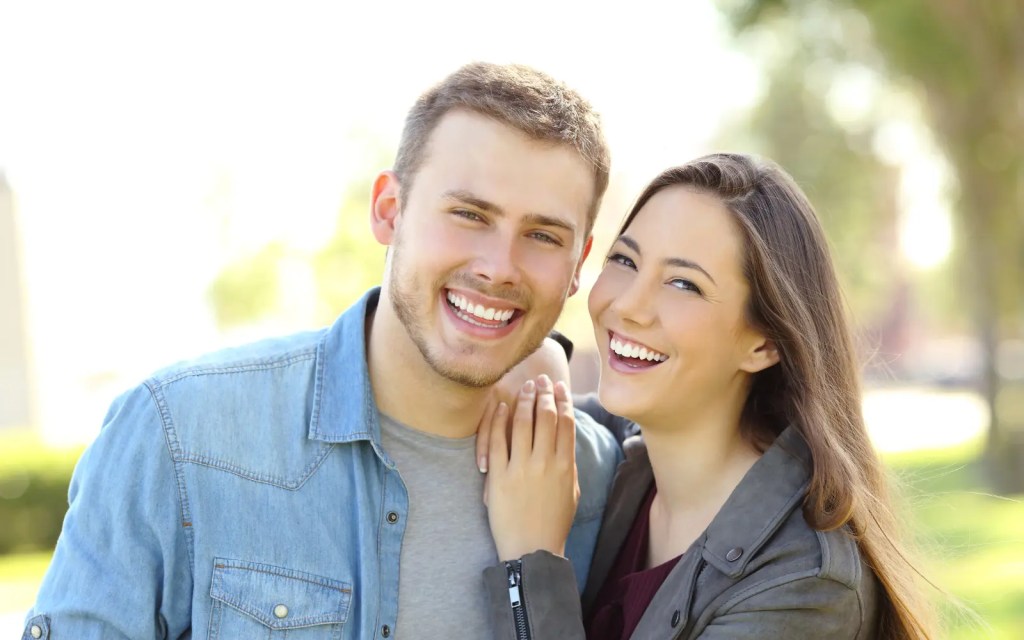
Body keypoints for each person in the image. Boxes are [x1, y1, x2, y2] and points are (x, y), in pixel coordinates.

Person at [23, 62, 622, 640]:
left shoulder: (598, 482)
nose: (498, 267)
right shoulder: (179, 433)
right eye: (469, 214)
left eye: (543, 236)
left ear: (578, 265)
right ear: (389, 210)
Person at [479, 153, 938, 639]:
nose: (628, 305)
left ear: (764, 343)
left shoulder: (803, 585)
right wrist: (543, 360)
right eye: (625, 260)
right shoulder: (621, 462)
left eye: (683, 283)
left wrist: (529, 564)